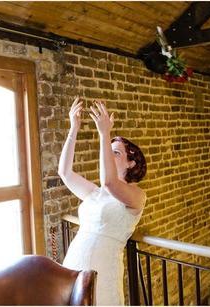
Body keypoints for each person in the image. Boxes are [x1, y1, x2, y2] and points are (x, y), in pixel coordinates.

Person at [58, 96, 147, 305]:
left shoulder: (137, 196)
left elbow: (109, 181)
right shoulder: (95, 192)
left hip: (103, 269)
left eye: (115, 152)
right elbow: (64, 172)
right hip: (73, 264)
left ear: (131, 163)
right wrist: (73, 129)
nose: (108, 153)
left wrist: (104, 133)